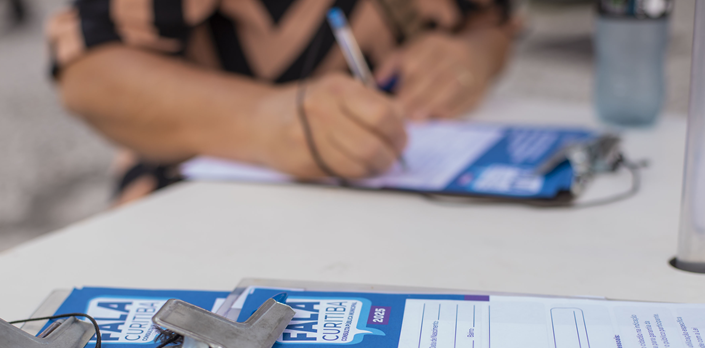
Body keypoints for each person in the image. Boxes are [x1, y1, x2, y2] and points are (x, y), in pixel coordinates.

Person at [47, 0, 517, 204]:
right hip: (200, 195)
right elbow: (88, 69)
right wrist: (262, 120)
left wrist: (472, 55)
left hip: (413, 177)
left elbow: (495, 22)